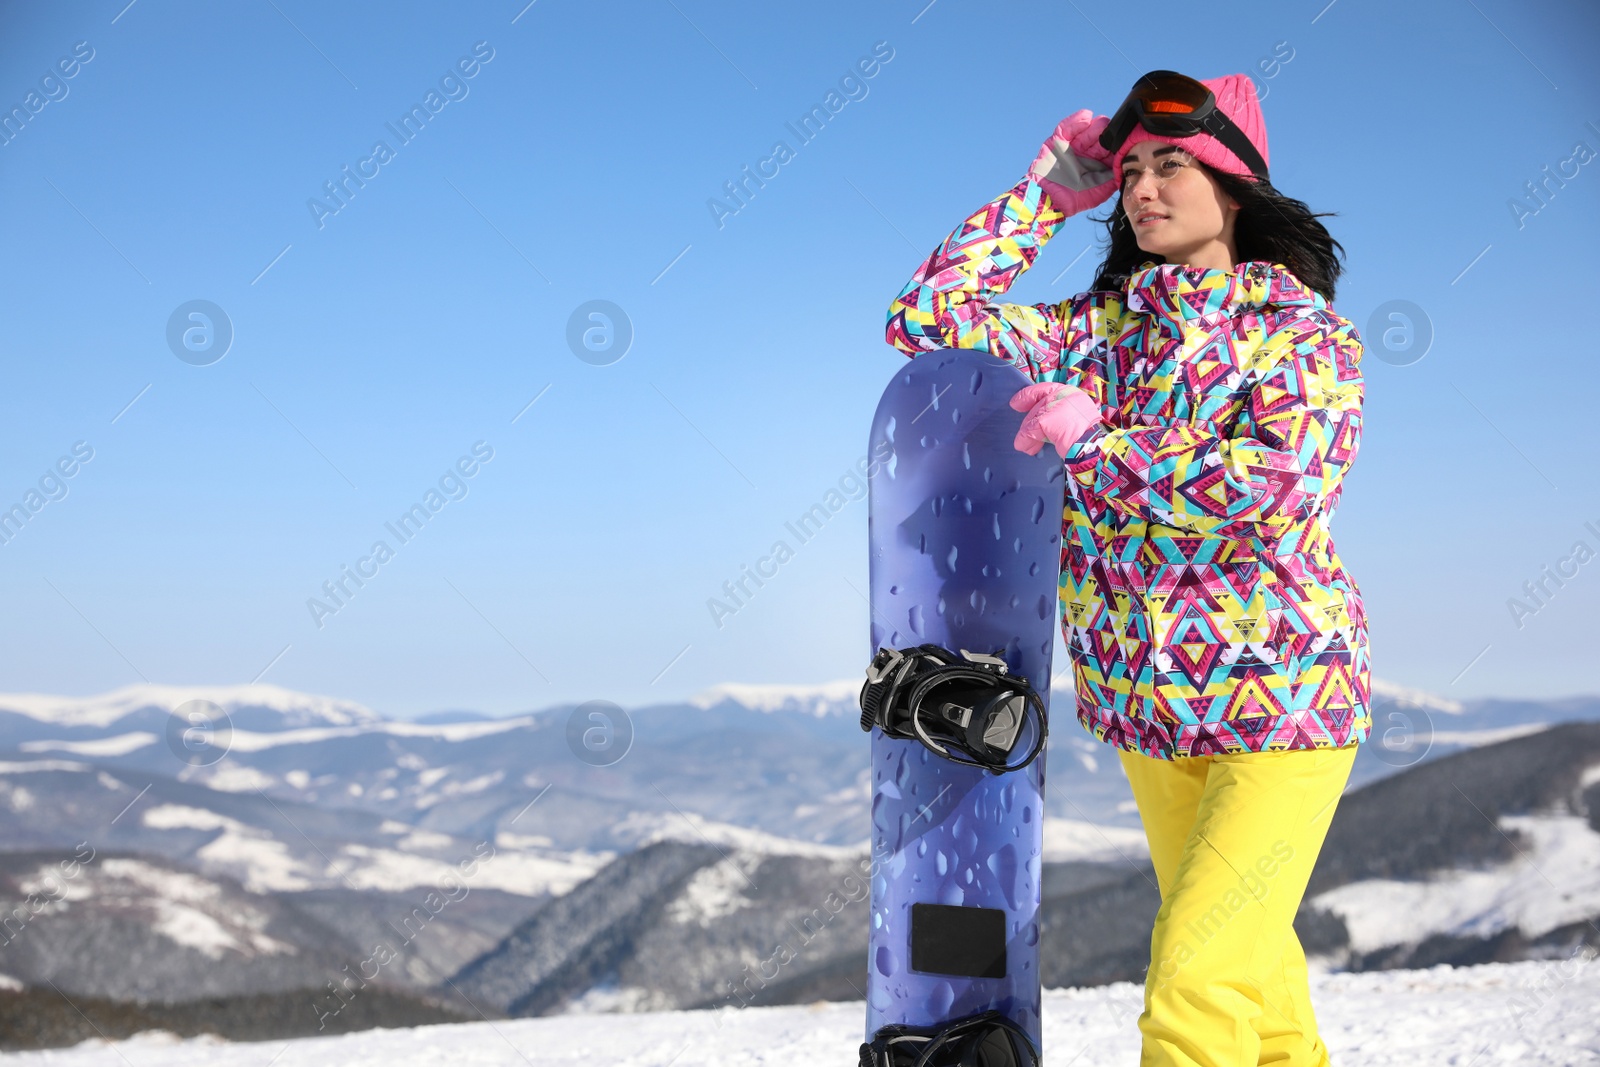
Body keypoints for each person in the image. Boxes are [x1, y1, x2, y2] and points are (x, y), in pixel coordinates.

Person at [884, 71, 1369, 1067]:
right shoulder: (1092, 331)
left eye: (1172, 165)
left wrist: (1102, 447)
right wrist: (1040, 200)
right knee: (1259, 990)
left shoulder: (1302, 333)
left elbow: (1279, 482)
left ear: (1235, 186)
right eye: (1131, 169)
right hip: (1149, 710)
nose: (1142, 187)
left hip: (1281, 700)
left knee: (1193, 987)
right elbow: (926, 319)